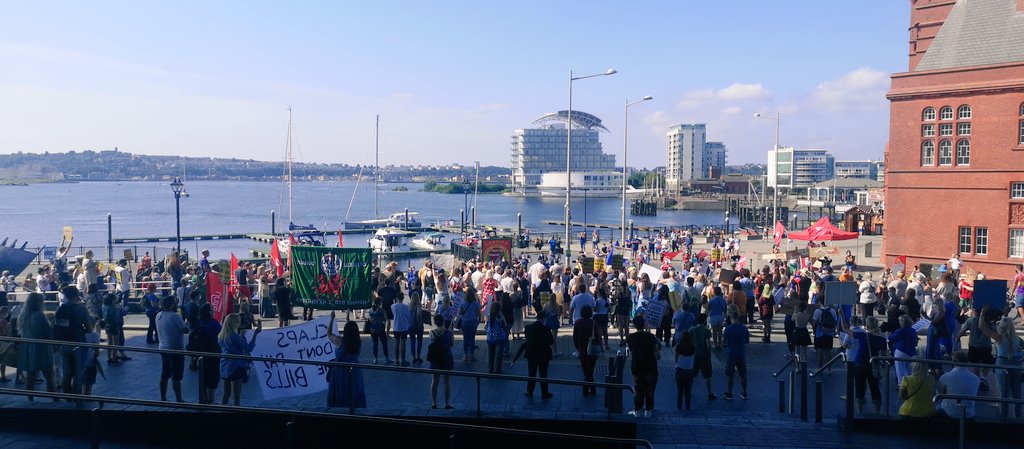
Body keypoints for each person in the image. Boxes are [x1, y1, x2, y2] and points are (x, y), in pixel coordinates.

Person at [53, 285, 89, 396]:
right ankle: (76, 395)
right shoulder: (81, 309)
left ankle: (67, 395)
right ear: (76, 295)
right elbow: (88, 328)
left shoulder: (60, 309)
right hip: (78, 342)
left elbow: (57, 326)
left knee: (67, 371)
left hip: (64, 343)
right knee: (78, 371)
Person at [18, 293, 55, 400]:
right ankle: (55, 398)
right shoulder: (39, 316)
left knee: (30, 377)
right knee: (49, 376)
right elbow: (48, 332)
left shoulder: (23, 316)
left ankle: (30, 399)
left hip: (28, 348)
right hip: (41, 348)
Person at [219, 313, 261, 406]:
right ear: (233, 323)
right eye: (238, 321)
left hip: (224, 365)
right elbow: (248, 348)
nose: (239, 323)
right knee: (236, 397)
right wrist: (255, 334)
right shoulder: (235, 336)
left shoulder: (222, 335)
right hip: (236, 366)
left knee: (226, 393)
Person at [326, 313, 366, 409]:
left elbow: (329, 333)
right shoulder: (358, 342)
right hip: (355, 370)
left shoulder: (339, 341)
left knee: (341, 392)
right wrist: (348, 316)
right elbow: (351, 329)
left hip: (341, 371)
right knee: (354, 392)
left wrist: (332, 319)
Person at [844, 316, 883, 414]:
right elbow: (884, 355)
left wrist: (841, 315)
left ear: (867, 325)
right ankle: (877, 413)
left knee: (859, 390)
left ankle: (860, 412)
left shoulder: (863, 336)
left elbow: (845, 329)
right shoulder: (881, 340)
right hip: (873, 366)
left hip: (860, 364)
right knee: (875, 389)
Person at [512, 310, 554, 399]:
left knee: (531, 373)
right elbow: (551, 341)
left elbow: (528, 340)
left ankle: (530, 391)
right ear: (544, 319)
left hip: (531, 353)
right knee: (543, 374)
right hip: (543, 354)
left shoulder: (528, 328)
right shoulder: (546, 329)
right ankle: (544, 392)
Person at [988, 315, 1023, 419]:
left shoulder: (999, 338)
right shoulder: (1018, 339)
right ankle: (1018, 414)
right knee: (1017, 391)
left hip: (1002, 363)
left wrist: (982, 314)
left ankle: (1003, 415)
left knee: (1003, 391)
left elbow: (983, 327)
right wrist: (1021, 360)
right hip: (1016, 364)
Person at [626, 315, 660, 417]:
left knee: (638, 388)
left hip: (637, 366)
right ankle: (648, 410)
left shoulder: (631, 337)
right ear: (644, 323)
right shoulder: (650, 336)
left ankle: (637, 410)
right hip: (650, 365)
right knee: (649, 388)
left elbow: (629, 352)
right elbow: (657, 353)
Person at [156, 296, 188, 402]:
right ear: (172, 305)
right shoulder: (175, 316)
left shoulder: (158, 315)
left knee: (164, 373)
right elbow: (185, 330)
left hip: (163, 347)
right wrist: (187, 325)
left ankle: (163, 397)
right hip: (176, 349)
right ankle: (179, 399)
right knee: (177, 376)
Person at [935, 351, 980, 419]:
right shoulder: (976, 378)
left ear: (953, 362)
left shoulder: (945, 377)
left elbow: (938, 394)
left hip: (950, 413)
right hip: (969, 415)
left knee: (937, 407)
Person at [193, 304, 221, 405]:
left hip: (201, 352)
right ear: (209, 312)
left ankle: (204, 398)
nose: (213, 311)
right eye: (212, 310)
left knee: (204, 375)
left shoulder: (199, 322)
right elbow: (221, 334)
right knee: (213, 376)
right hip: (213, 352)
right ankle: (211, 400)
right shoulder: (213, 323)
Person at [720, 310, 750, 400]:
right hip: (741, 353)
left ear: (731, 318)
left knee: (730, 375)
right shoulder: (744, 328)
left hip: (731, 353)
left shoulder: (728, 329)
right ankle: (744, 393)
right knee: (743, 374)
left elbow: (723, 342)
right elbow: (747, 341)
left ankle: (729, 393)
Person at [427, 315, 454, 409]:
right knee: (446, 382)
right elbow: (451, 344)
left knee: (434, 381)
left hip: (435, 359)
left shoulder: (431, 333)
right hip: (446, 358)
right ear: (443, 322)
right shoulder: (449, 333)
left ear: (435, 322)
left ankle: (434, 403)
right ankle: (446, 403)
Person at [572, 305, 598, 396]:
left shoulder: (578, 323)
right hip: (593, 349)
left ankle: (587, 389)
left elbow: (574, 337)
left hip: (582, 348)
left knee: (585, 369)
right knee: (590, 369)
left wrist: (577, 347)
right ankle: (590, 389)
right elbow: (598, 337)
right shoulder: (593, 323)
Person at [888, 315, 919, 385]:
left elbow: (891, 338)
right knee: (909, 370)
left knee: (900, 370)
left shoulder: (901, 331)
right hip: (911, 352)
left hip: (901, 351)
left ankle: (902, 385)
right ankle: (910, 384)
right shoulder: (913, 330)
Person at [812, 298, 840, 374]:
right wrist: (833, 331)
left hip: (820, 334)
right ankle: (829, 369)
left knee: (820, 351)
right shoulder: (832, 311)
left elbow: (814, 323)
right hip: (830, 334)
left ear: (819, 302)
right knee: (828, 351)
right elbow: (835, 322)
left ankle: (819, 368)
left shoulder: (817, 311)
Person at [459, 287, 483, 361]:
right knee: (472, 338)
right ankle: (472, 355)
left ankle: (466, 354)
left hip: (465, 321)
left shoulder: (463, 302)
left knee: (465, 338)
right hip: (473, 321)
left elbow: (460, 312)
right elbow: (478, 312)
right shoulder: (475, 303)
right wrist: (478, 320)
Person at [675, 327, 696, 411]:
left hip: (680, 370)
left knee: (680, 391)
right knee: (688, 391)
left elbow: (676, 358)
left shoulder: (679, 347)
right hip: (689, 371)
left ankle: (679, 407)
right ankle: (688, 407)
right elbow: (694, 357)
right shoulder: (692, 348)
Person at [485, 302, 509, 374]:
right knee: (498, 354)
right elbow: (505, 325)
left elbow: (486, 326)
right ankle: (497, 369)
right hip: (499, 337)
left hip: (490, 337)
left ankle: (490, 368)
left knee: (490, 353)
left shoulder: (489, 316)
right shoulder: (500, 316)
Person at [367, 299, 391, 364]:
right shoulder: (381, 310)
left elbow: (369, 318)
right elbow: (385, 319)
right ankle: (387, 359)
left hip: (373, 329)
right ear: (379, 303)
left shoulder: (370, 310)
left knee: (375, 344)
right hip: (380, 329)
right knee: (384, 344)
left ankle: (375, 359)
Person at [391, 294, 412, 367]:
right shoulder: (405, 307)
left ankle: (396, 360)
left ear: (396, 298)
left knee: (396, 343)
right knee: (403, 344)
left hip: (396, 327)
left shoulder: (393, 306)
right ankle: (403, 360)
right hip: (404, 327)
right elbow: (408, 317)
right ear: (403, 299)